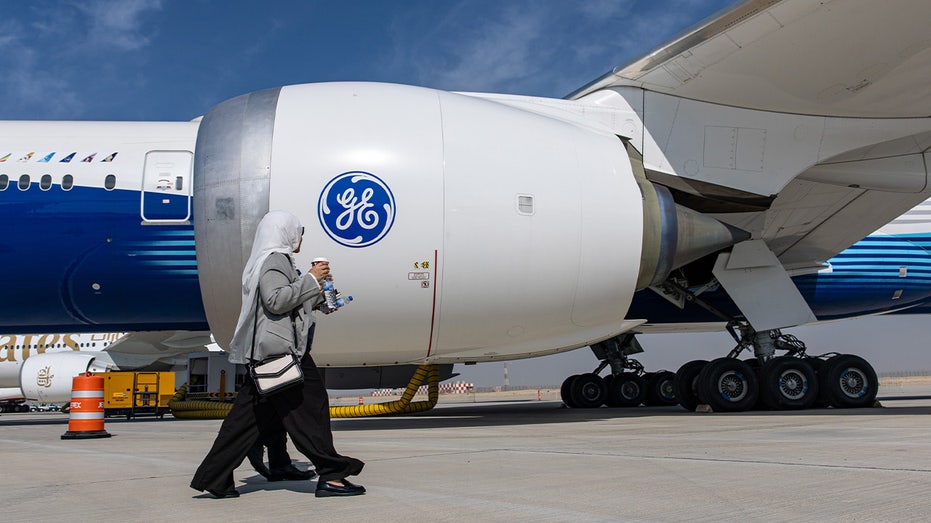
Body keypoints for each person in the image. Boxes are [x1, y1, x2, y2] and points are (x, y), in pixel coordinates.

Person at [190, 210, 364, 498]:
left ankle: (215, 477)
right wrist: (310, 278)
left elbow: (289, 300)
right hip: (281, 355)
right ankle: (332, 475)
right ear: (284, 232)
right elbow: (276, 300)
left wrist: (321, 296)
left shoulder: (276, 260)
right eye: (299, 230)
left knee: (246, 422)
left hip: (269, 355)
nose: (301, 236)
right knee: (312, 412)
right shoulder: (275, 260)